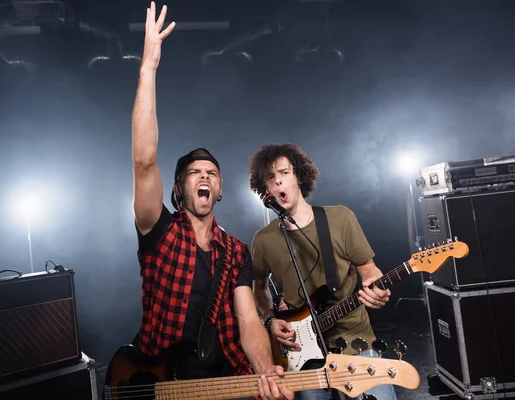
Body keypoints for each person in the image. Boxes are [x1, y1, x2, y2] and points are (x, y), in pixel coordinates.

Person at [131, 3, 293, 399]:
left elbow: (248, 321)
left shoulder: (235, 252)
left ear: (219, 189)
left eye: (212, 173)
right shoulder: (160, 230)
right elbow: (144, 159)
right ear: (178, 189)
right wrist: (148, 69)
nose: (204, 175)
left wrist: (263, 370)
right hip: (165, 384)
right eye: (194, 172)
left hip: (226, 379)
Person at [248, 143, 397, 400]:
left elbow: (369, 270)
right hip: (300, 351)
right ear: (266, 190)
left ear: (299, 176)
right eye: (271, 178)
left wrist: (376, 288)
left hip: (353, 339)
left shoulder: (340, 218)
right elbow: (259, 290)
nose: (278, 182)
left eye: (284, 173)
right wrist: (270, 320)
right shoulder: (263, 240)